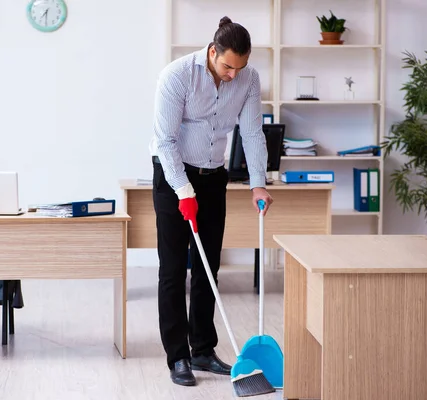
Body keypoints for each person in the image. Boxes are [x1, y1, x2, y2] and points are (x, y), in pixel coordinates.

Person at [148, 16, 273, 387]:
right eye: (227, 66)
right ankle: (178, 357)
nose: (234, 74)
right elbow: (166, 142)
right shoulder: (177, 76)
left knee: (207, 267)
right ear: (212, 51)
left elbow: (251, 133)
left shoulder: (248, 79)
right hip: (173, 175)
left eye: (241, 66)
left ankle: (202, 349)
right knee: (173, 269)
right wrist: (183, 192)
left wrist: (258, 185)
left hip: (213, 176)